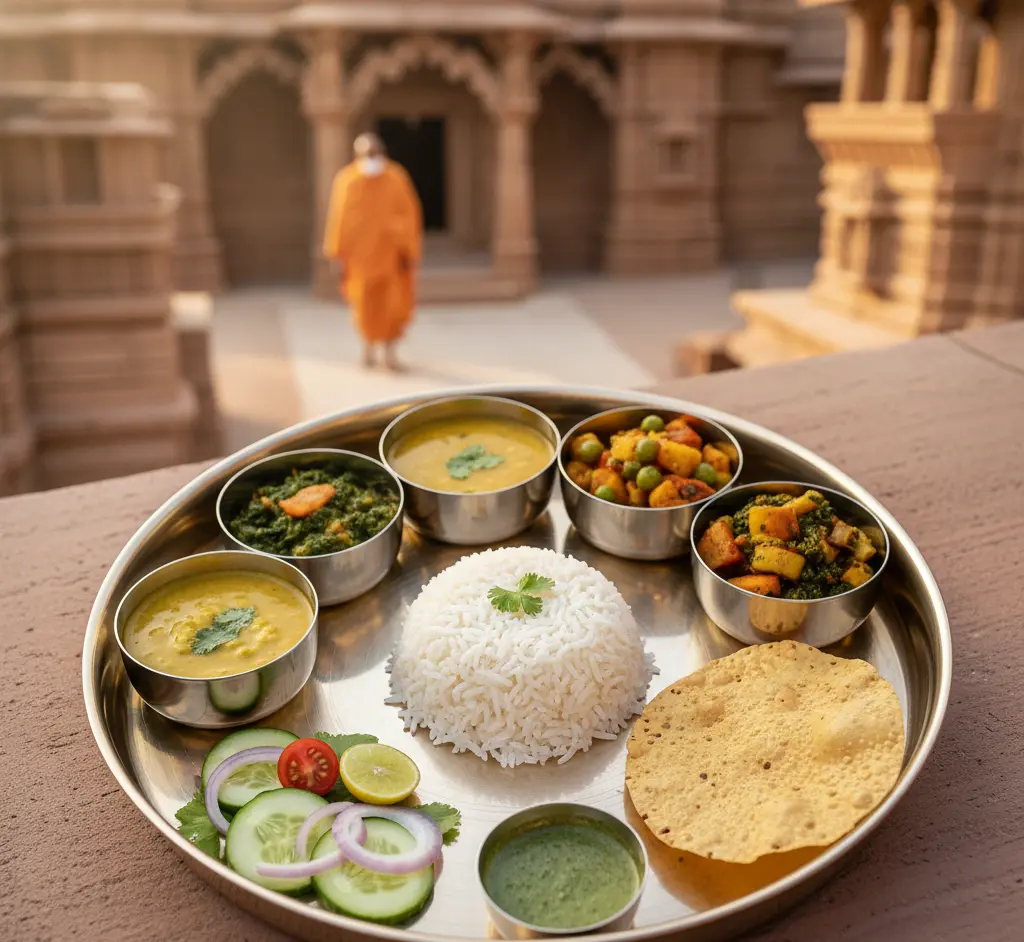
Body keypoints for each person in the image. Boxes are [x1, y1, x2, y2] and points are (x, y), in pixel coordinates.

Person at [322, 133, 423, 370]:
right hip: (360, 261)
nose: (371, 159)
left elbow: (410, 214)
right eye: (366, 155)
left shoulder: (396, 177)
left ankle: (390, 355)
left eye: (374, 154)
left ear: (383, 153)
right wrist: (336, 254)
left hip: (391, 259)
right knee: (364, 307)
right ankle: (367, 351)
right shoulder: (347, 180)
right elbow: (338, 218)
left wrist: (398, 236)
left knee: (393, 308)